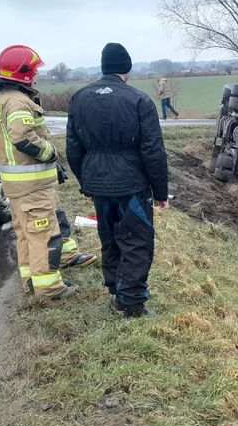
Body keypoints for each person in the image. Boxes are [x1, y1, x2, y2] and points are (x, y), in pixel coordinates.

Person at [66, 43, 170, 319]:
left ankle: (116, 291)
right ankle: (131, 303)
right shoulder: (139, 100)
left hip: (98, 183)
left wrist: (85, 183)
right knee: (136, 241)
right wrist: (161, 192)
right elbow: (153, 151)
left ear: (103, 67)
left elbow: (73, 148)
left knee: (109, 237)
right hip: (132, 185)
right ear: (128, 68)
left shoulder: (79, 98)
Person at [0, 45, 97, 306]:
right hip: (31, 184)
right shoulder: (17, 101)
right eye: (34, 71)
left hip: (18, 186)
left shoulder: (1, 98)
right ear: (22, 73)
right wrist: (50, 153)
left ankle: (31, 282)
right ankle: (49, 289)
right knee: (43, 235)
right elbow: (22, 137)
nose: (36, 75)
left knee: (26, 235)